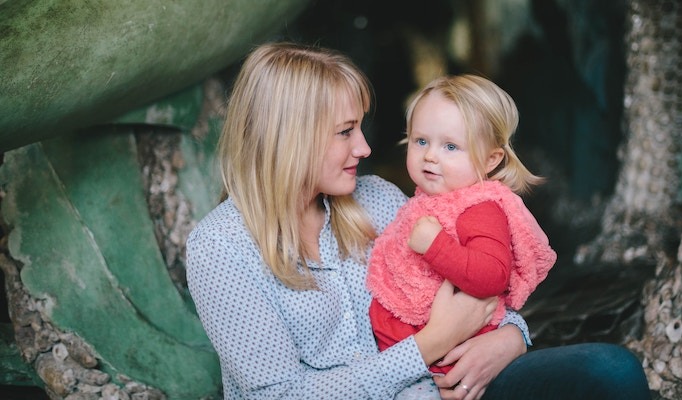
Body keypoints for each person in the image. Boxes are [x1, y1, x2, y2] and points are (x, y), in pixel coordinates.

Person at [185, 41, 652, 400]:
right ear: (290, 138)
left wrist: (510, 340)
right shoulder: (221, 247)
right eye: (346, 132)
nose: (365, 149)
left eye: (360, 128)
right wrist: (428, 346)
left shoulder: (382, 201)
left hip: (442, 387)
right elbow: (280, 395)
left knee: (611, 371)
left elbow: (478, 285)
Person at [366, 74, 557, 380]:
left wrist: (436, 246)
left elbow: (492, 277)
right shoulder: (427, 200)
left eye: (451, 147)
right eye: (421, 141)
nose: (430, 155)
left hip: (450, 362)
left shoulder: (479, 208)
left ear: (491, 160)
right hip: (409, 355)